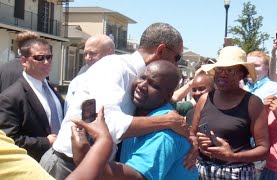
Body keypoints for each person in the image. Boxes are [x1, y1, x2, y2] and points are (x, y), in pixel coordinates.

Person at [40, 22, 193, 180]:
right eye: (177, 57)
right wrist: (165, 121)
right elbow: (108, 125)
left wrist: (190, 140)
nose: (176, 64)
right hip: (67, 165)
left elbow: (163, 102)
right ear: (161, 50)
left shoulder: (138, 77)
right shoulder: (114, 68)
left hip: (98, 167)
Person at [192, 46, 270, 179]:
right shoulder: (205, 99)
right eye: (219, 69)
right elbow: (191, 135)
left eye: (229, 70)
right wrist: (198, 143)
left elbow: (264, 150)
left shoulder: (253, 103)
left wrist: (232, 156)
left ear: (242, 74)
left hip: (237, 173)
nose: (223, 74)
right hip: (202, 171)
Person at [0, 37, 64, 162]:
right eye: (39, 58)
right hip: (35, 163)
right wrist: (45, 142)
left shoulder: (51, 87)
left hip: (60, 160)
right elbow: (8, 139)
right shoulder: (11, 97)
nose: (46, 62)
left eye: (49, 57)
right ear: (24, 61)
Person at [64, 34, 115, 113]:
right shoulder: (77, 82)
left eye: (93, 53)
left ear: (109, 53)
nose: (87, 58)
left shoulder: (126, 78)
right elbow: (70, 114)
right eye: (85, 54)